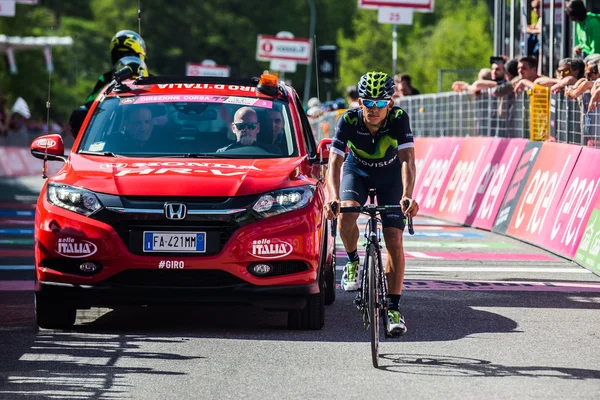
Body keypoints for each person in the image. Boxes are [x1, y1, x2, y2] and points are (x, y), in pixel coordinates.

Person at [323, 71, 419, 336]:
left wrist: (407, 194)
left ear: (389, 103)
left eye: (380, 103)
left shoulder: (399, 119)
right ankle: (353, 261)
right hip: (358, 172)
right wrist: (333, 196)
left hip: (390, 177)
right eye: (368, 102)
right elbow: (335, 163)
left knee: (394, 239)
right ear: (360, 102)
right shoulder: (348, 120)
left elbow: (407, 160)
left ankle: (394, 308)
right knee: (346, 214)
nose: (373, 108)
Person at [84, 30, 147, 108]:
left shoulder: (151, 79)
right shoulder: (106, 77)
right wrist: (111, 86)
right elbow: (90, 102)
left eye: (129, 54)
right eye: (119, 55)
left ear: (140, 56)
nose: (124, 59)